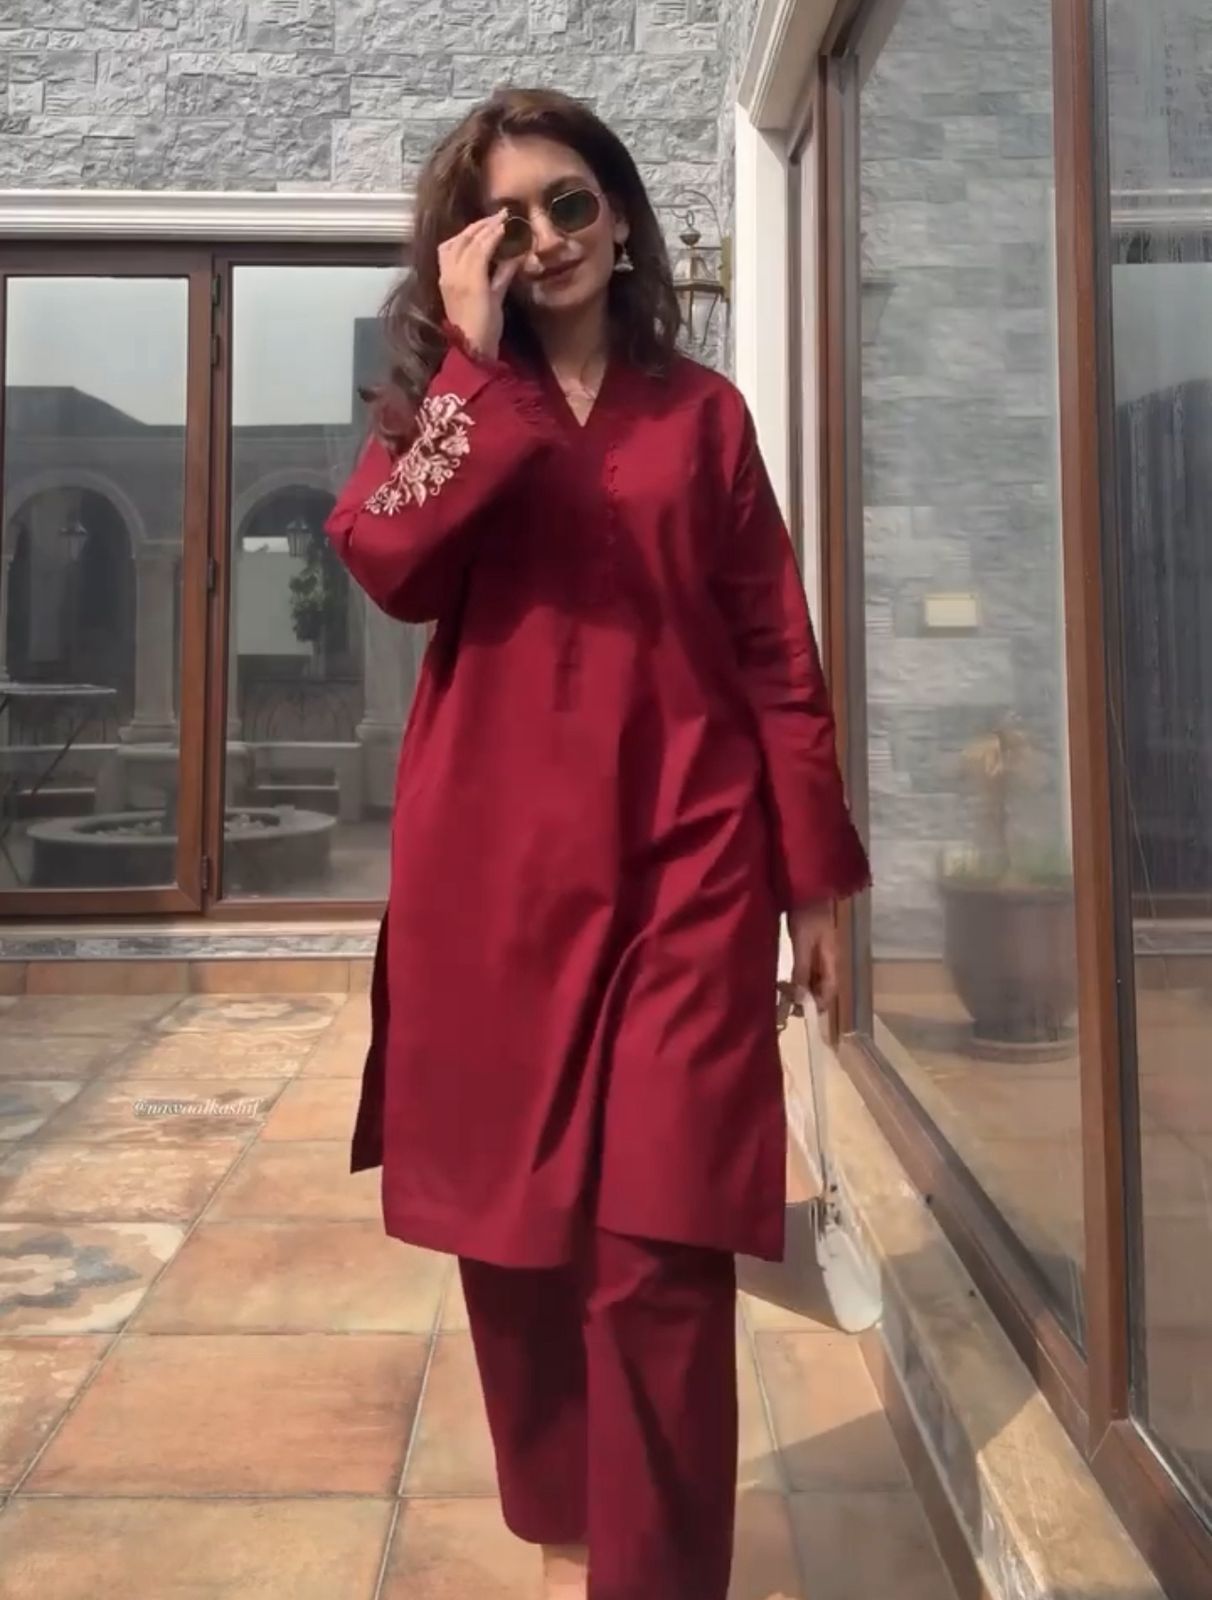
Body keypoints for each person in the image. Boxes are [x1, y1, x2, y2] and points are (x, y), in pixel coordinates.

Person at [325, 87, 869, 1600]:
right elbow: (387, 560)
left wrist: (814, 879)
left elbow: (776, 651)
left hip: (691, 864)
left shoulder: (703, 417)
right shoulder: (442, 412)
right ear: (467, 251)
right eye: (507, 219)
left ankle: (658, 1575)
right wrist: (470, 366)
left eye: (571, 202)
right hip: (492, 881)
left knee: (662, 1244)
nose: (549, 238)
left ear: (620, 217)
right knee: (517, 1239)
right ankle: (572, 1516)